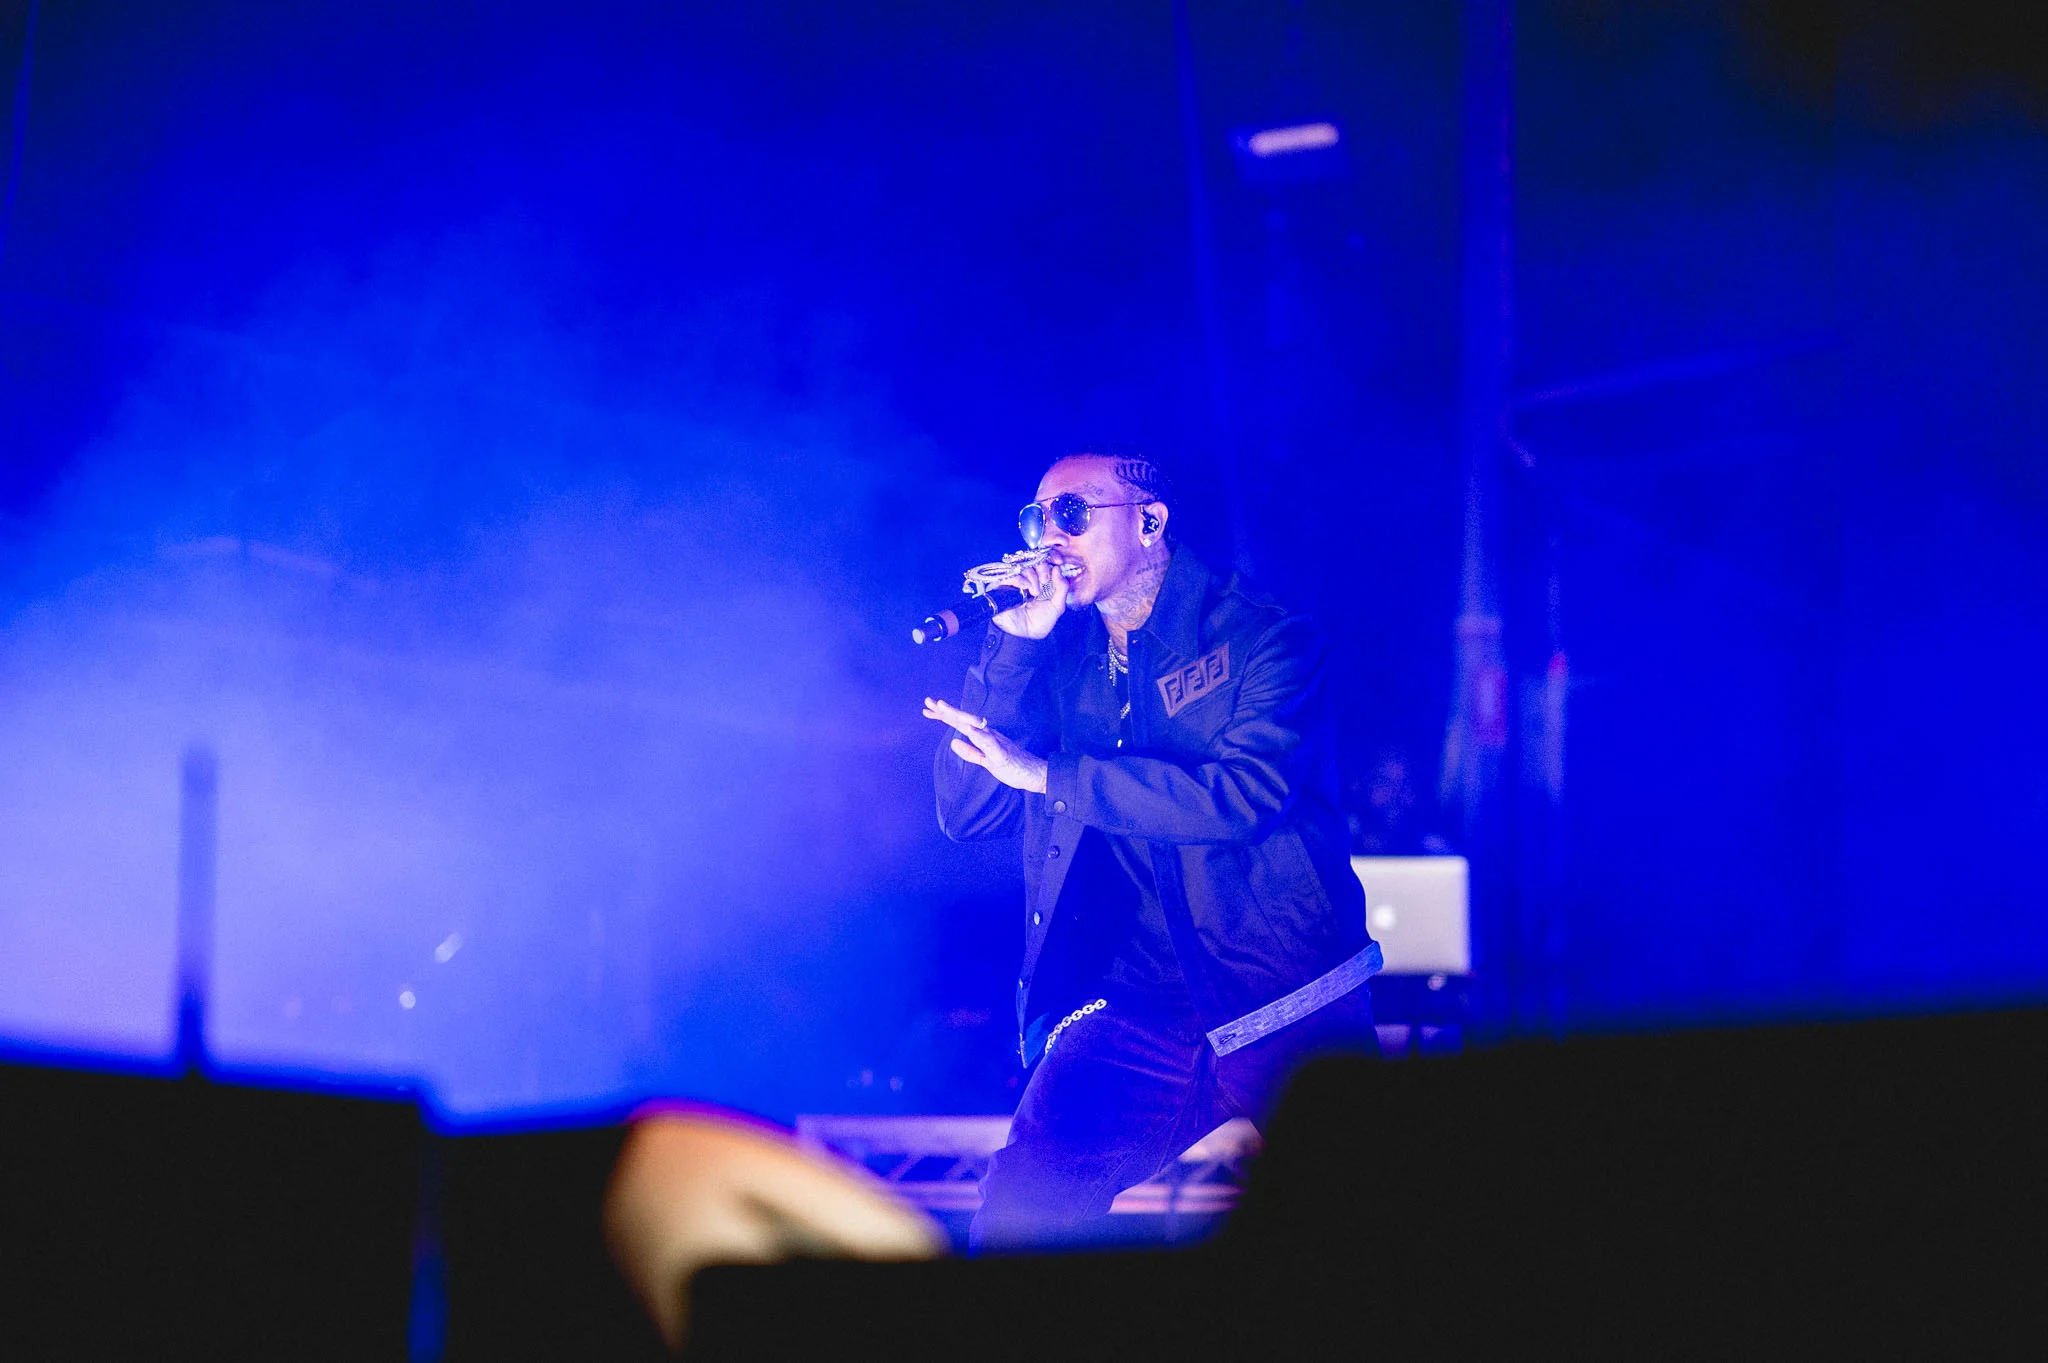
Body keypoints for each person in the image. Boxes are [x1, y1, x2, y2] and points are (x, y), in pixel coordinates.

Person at [923, 452, 1381, 1251]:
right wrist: (1013, 649)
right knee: (1026, 1204)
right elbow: (969, 812)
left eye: (1072, 514)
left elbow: (1243, 797)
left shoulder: (1264, 634)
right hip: (1137, 1001)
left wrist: (1052, 774)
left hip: (1284, 986)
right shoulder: (1058, 656)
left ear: (1149, 521)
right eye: (1036, 520)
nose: (1049, 538)